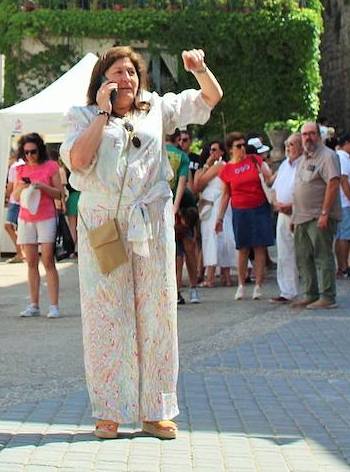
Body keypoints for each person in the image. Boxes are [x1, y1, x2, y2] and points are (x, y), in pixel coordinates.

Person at [66, 46, 223, 441]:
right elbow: (80, 160)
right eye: (119, 71)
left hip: (150, 222)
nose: (128, 78)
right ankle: (109, 412)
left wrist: (200, 69)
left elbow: (210, 98)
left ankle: (157, 410)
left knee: (157, 314)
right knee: (107, 318)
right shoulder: (82, 116)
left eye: (134, 72)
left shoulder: (156, 109)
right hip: (103, 224)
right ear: (103, 79)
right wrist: (103, 113)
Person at [213, 134, 276, 301]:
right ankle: (241, 285)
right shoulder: (227, 169)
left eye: (243, 145)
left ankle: (258, 285)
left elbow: (268, 177)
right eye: (238, 146)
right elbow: (226, 195)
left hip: (259, 207)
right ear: (230, 149)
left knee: (260, 246)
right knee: (242, 248)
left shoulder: (254, 159)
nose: (242, 149)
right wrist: (219, 218)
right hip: (240, 210)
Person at [292, 123, 343, 309]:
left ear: (319, 136)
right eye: (304, 134)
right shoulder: (303, 158)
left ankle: (328, 296)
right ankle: (310, 294)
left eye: (312, 134)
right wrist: (294, 217)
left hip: (319, 216)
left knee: (322, 256)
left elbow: (333, 184)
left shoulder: (328, 156)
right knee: (303, 256)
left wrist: (325, 213)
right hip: (302, 217)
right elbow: (298, 188)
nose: (308, 137)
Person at [14, 132, 63, 318]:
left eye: (33, 152)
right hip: (26, 218)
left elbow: (59, 194)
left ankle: (54, 304)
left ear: (39, 150)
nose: (30, 156)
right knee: (31, 261)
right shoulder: (21, 169)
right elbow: (15, 197)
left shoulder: (51, 166)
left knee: (48, 260)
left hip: (46, 216)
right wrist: (23, 187)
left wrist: (42, 186)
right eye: (26, 153)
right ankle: (34, 303)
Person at [195, 141, 234, 288]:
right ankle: (226, 276)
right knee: (222, 238)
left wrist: (206, 165)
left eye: (214, 150)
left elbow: (199, 184)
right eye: (210, 150)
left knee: (212, 238)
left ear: (222, 152)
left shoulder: (219, 166)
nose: (212, 153)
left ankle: (210, 277)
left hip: (216, 205)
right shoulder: (222, 166)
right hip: (216, 205)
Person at [169, 129, 201, 304]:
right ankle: (188, 289)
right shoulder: (182, 156)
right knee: (185, 252)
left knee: (179, 254)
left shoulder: (157, 153)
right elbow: (186, 183)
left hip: (174, 205)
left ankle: (180, 290)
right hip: (181, 202)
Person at [269, 133, 300, 305]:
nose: (289, 148)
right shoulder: (284, 166)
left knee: (302, 254)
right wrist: (276, 203)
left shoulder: (303, 164)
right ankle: (287, 290)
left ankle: (307, 290)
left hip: (299, 213)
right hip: (282, 214)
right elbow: (274, 188)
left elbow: (305, 190)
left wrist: (292, 206)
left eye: (293, 144)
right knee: (284, 253)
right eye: (287, 145)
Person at [333, 134, 350, 279]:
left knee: (341, 236)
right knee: (345, 236)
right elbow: (343, 179)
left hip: (341, 202)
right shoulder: (343, 158)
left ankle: (341, 266)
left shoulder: (339, 157)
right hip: (346, 203)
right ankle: (343, 266)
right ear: (347, 143)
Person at [2, 156, 23, 262]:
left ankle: (20, 252)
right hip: (26, 200)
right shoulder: (28, 166)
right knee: (21, 228)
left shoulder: (14, 167)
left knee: (8, 226)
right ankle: (22, 252)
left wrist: (5, 197)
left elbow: (10, 186)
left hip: (16, 200)